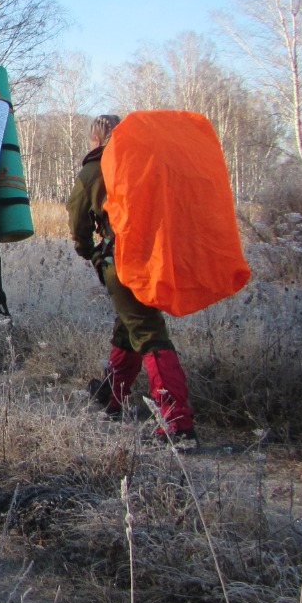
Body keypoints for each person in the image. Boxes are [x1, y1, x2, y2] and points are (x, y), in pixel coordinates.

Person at [66, 114, 198, 447]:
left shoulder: (95, 170)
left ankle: (177, 423)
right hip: (156, 257)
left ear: (96, 138)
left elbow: (78, 220)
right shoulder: (147, 163)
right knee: (128, 327)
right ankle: (114, 400)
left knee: (148, 333)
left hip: (122, 263)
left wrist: (88, 251)